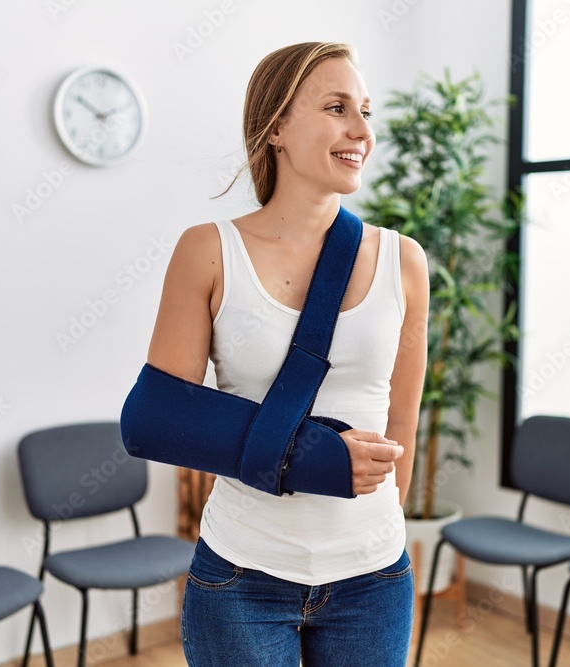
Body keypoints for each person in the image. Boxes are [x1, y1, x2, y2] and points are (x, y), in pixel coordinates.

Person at [144, 41, 429, 666]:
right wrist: (314, 459)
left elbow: (402, 421)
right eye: (336, 107)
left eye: (366, 111)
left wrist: (371, 533)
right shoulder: (209, 249)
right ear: (276, 127)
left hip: (374, 578)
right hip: (242, 573)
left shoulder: (403, 261)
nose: (362, 131)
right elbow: (157, 421)